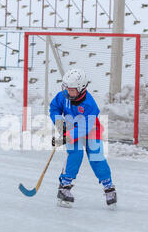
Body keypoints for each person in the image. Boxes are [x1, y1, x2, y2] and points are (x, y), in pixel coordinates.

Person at [49, 68, 117, 208]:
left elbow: (84, 127)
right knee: (75, 154)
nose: (68, 91)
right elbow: (54, 108)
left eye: (72, 89)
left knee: (96, 156)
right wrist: (60, 124)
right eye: (67, 88)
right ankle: (64, 187)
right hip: (71, 128)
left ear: (82, 89)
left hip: (90, 129)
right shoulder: (63, 96)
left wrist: (65, 137)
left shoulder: (90, 104)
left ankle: (109, 188)